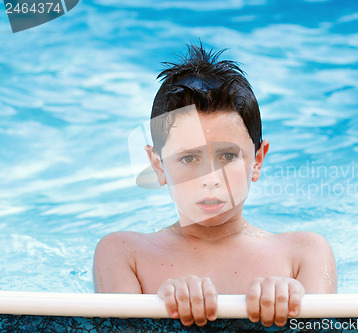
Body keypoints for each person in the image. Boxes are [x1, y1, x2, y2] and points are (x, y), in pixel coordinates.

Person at [93, 43, 337, 328]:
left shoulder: (303, 256)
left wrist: (294, 306)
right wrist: (160, 316)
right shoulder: (124, 254)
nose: (210, 178)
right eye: (188, 158)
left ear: (258, 160)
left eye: (228, 155)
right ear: (158, 165)